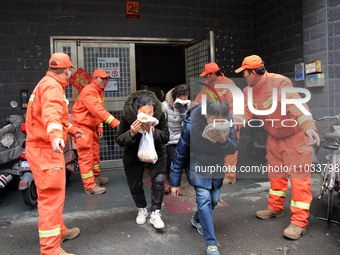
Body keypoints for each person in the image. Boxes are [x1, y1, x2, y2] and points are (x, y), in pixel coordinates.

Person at [235, 55, 320, 240]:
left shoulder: (279, 83)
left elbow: (297, 105)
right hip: (274, 136)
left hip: (295, 136)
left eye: (245, 73)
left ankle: (298, 222)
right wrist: (234, 126)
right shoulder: (248, 91)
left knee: (299, 180)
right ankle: (275, 208)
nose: (244, 77)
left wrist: (309, 128)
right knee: (276, 175)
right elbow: (245, 113)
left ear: (254, 72)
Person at [25, 52, 82, 255]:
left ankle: (60, 231)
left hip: (40, 148)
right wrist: (56, 135)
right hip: (45, 149)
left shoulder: (44, 83)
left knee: (52, 195)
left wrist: (72, 130)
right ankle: (50, 250)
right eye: (70, 71)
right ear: (67, 70)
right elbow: (51, 113)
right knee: (51, 197)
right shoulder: (53, 87)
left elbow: (52, 115)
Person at [170, 99, 238, 255]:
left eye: (222, 119)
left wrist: (223, 140)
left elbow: (233, 147)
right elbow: (180, 153)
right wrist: (175, 182)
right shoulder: (191, 125)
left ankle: (197, 219)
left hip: (216, 166)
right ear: (206, 115)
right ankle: (211, 244)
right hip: (197, 165)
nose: (218, 123)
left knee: (214, 199)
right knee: (204, 199)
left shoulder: (228, 121)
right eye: (214, 119)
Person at [116, 90, 169, 229]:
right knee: (135, 184)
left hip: (156, 154)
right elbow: (120, 139)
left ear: (155, 111)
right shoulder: (127, 118)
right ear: (136, 111)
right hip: (132, 156)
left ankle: (156, 213)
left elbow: (166, 137)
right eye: (143, 112)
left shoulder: (160, 117)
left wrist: (153, 130)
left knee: (158, 180)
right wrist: (132, 132)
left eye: (150, 112)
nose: (147, 115)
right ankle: (142, 208)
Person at [72, 68, 120, 195]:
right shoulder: (89, 91)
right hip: (82, 128)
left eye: (107, 78)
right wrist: (114, 122)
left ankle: (96, 178)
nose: (105, 81)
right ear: (94, 79)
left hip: (90, 127)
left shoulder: (99, 91)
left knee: (94, 154)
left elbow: (98, 111)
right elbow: (97, 110)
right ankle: (89, 186)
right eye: (102, 78)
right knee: (86, 157)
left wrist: (99, 127)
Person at [194, 62, 241, 184]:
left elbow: (234, 105)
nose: (205, 78)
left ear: (213, 74)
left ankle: (230, 177)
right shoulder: (208, 84)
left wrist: (233, 124)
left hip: (226, 122)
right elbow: (201, 98)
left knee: (229, 150)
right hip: (212, 122)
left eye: (207, 75)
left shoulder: (229, 85)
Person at [161, 84, 190, 194]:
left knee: (180, 162)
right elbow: (162, 124)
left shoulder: (187, 106)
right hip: (169, 139)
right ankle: (169, 182)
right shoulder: (164, 106)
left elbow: (189, 122)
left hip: (182, 138)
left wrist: (184, 110)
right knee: (172, 160)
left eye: (185, 98)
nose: (183, 100)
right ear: (174, 97)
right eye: (180, 99)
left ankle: (175, 184)